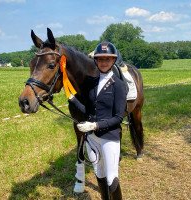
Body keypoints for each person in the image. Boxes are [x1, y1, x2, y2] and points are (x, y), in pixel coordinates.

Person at [69, 41, 128, 199]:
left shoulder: (119, 85)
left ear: (113, 61)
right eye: (100, 59)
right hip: (92, 139)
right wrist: (73, 100)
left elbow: (118, 118)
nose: (103, 62)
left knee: (111, 178)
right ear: (96, 60)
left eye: (107, 59)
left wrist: (95, 125)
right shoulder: (91, 84)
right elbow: (88, 111)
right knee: (99, 174)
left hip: (109, 138)